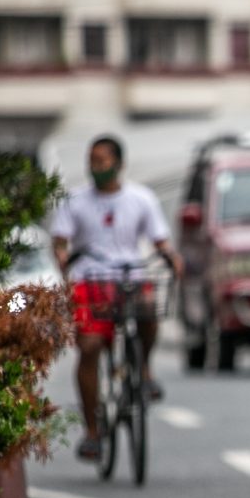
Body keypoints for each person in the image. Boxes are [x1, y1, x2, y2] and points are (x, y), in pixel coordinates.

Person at [51, 135, 183, 462]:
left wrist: (171, 257)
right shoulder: (75, 201)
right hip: (89, 281)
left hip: (130, 277)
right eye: (91, 161)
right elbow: (60, 242)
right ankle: (93, 432)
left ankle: (145, 370)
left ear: (119, 164)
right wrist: (65, 263)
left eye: (102, 161)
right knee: (90, 347)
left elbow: (160, 240)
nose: (95, 168)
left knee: (151, 310)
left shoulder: (141, 199)